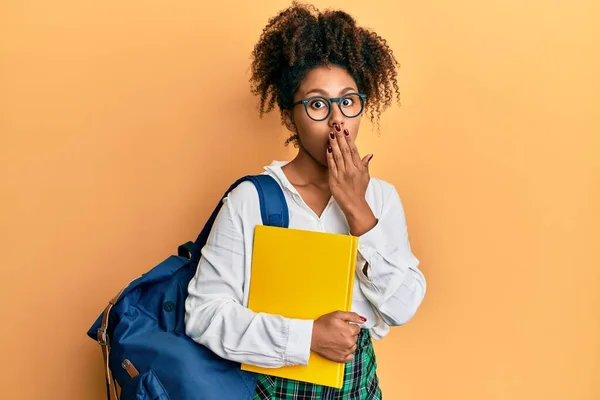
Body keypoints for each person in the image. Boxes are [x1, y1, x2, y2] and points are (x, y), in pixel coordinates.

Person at [184, 2, 426, 398]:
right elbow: (204, 316)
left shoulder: (380, 198)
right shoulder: (252, 199)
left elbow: (403, 308)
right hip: (266, 389)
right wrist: (307, 337)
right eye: (317, 104)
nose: (337, 121)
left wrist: (358, 212)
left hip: (358, 388)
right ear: (288, 115)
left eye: (348, 101)